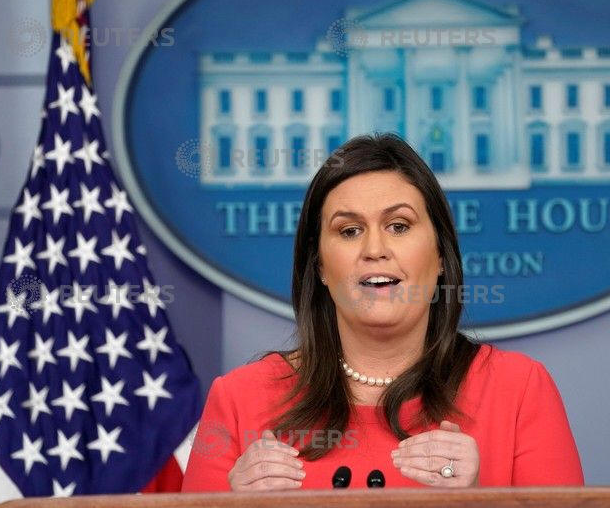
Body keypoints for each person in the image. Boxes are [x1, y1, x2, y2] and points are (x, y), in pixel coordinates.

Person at [181, 133, 583, 491]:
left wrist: (481, 504)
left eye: (399, 226)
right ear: (319, 266)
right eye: (349, 231)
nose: (374, 249)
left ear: (440, 256)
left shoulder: (519, 391)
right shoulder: (238, 400)